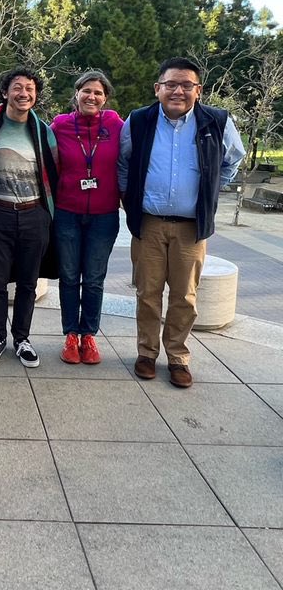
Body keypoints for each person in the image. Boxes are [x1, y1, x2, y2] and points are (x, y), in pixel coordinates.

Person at [118, 57, 244, 388]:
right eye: (171, 84)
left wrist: (209, 192)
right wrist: (128, 200)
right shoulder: (140, 120)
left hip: (191, 228)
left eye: (187, 85)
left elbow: (232, 161)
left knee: (185, 296)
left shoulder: (216, 122)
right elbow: (124, 163)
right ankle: (146, 353)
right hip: (149, 224)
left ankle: (178, 357)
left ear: (198, 91)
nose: (178, 91)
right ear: (157, 89)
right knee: (148, 292)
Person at [0, 68, 58, 369]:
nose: (24, 93)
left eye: (29, 88)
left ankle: (22, 338)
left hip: (33, 214)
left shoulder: (43, 131)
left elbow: (54, 174)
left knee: (28, 282)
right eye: (17, 87)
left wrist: (47, 214)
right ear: (5, 92)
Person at [51, 70, 123, 365]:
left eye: (98, 92)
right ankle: (70, 334)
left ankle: (89, 335)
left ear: (105, 98)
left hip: (104, 216)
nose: (91, 96)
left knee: (94, 279)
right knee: (68, 276)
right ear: (77, 94)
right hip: (67, 212)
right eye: (86, 91)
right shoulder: (60, 125)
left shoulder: (117, 125)